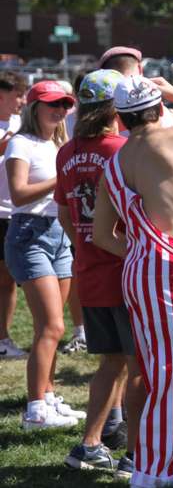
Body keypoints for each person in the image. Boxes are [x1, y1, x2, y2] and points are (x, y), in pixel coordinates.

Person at [93, 75, 173, 487]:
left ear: (121, 117)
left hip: (139, 268)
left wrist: (142, 255)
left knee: (162, 367)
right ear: (157, 107)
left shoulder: (114, 162)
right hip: (169, 266)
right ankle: (156, 471)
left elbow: (100, 236)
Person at [57, 69, 144, 479]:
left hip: (89, 269)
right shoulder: (123, 150)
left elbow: (64, 215)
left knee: (111, 362)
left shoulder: (66, 152)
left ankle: (89, 445)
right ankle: (138, 456)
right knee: (138, 366)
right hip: (126, 270)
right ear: (115, 108)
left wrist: (87, 243)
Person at [5, 81, 82, 429]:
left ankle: (48, 397)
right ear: (34, 106)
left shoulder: (59, 144)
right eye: (52, 103)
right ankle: (35, 410)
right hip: (28, 233)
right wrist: (60, 179)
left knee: (51, 327)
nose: (60, 109)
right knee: (51, 325)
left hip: (59, 235)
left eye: (65, 104)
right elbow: (19, 195)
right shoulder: (21, 142)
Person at [0, 71, 27, 359]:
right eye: (17, 95)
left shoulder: (22, 124)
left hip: (15, 213)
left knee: (8, 280)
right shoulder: (13, 130)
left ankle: (4, 339)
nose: (22, 101)